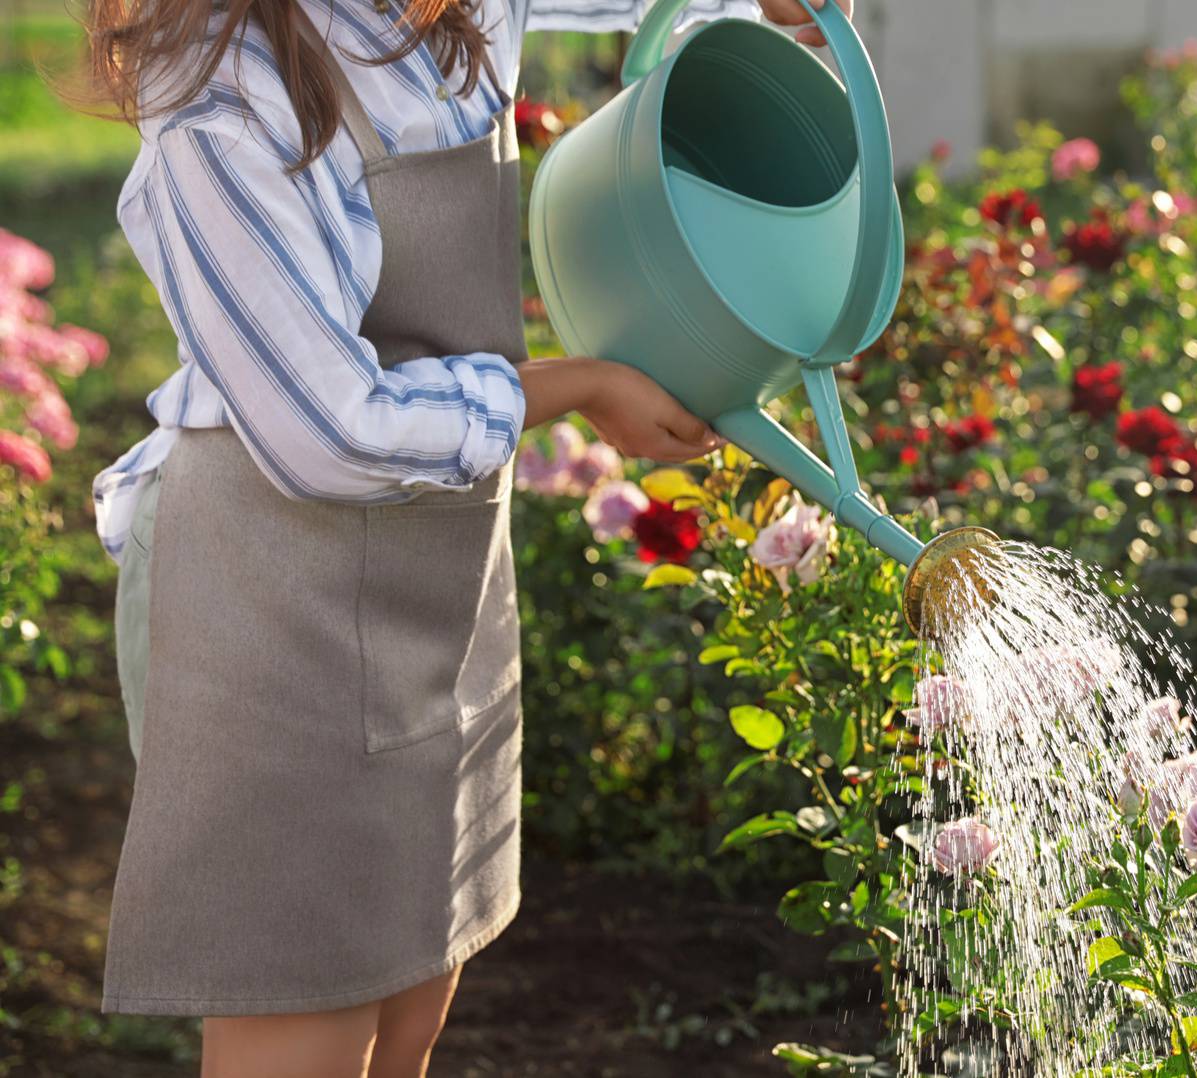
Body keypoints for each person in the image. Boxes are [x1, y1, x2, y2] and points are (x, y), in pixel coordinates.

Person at [81, 0, 846, 1074]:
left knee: (408, 1015)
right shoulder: (220, 100)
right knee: (307, 1011)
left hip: (442, 576)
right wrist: (578, 385)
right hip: (274, 601)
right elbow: (329, 431)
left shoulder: (460, 11)